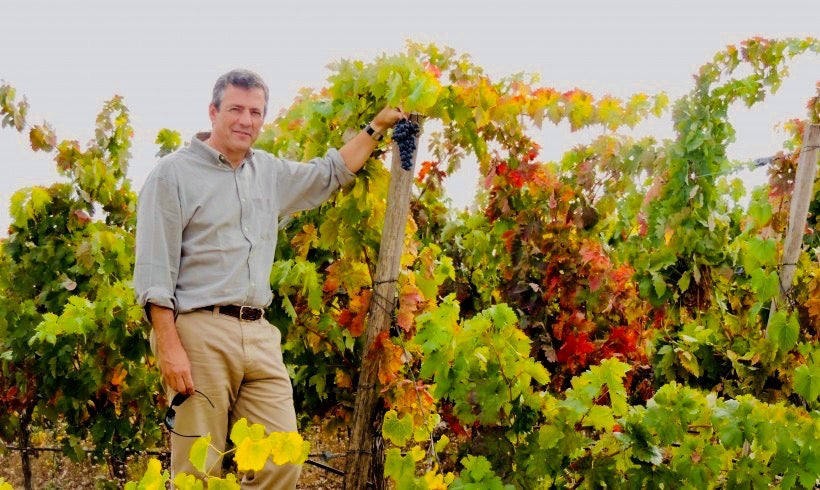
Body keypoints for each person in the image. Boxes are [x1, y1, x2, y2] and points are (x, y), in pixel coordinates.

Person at [134, 68, 404, 488]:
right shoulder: (172, 175)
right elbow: (155, 270)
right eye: (236, 109)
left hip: (259, 333)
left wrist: (377, 127)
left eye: (255, 112)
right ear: (213, 111)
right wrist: (169, 346)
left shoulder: (269, 172)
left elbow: (330, 172)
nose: (246, 120)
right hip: (198, 332)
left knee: (282, 459)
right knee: (197, 472)